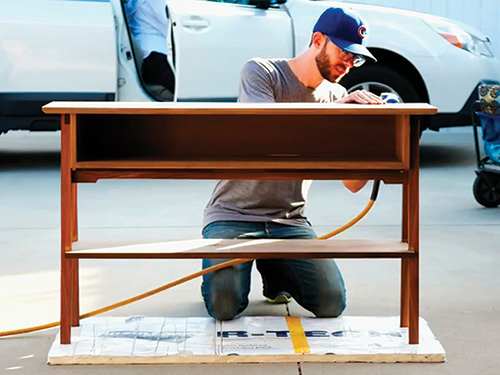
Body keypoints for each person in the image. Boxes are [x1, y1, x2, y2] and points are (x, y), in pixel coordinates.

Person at [201, 6, 385, 321]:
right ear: (317, 39)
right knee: (224, 306)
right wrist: (337, 112)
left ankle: (275, 267)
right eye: (344, 52)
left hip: (289, 222)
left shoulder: (337, 95)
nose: (348, 64)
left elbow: (352, 185)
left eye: (355, 58)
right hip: (233, 215)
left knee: (331, 303)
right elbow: (270, 134)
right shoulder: (262, 72)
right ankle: (251, 264)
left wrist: (374, 135)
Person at [124, 0, 175, 98]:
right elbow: (174, 25)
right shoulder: (156, 2)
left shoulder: (133, 2)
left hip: (145, 55)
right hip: (156, 55)